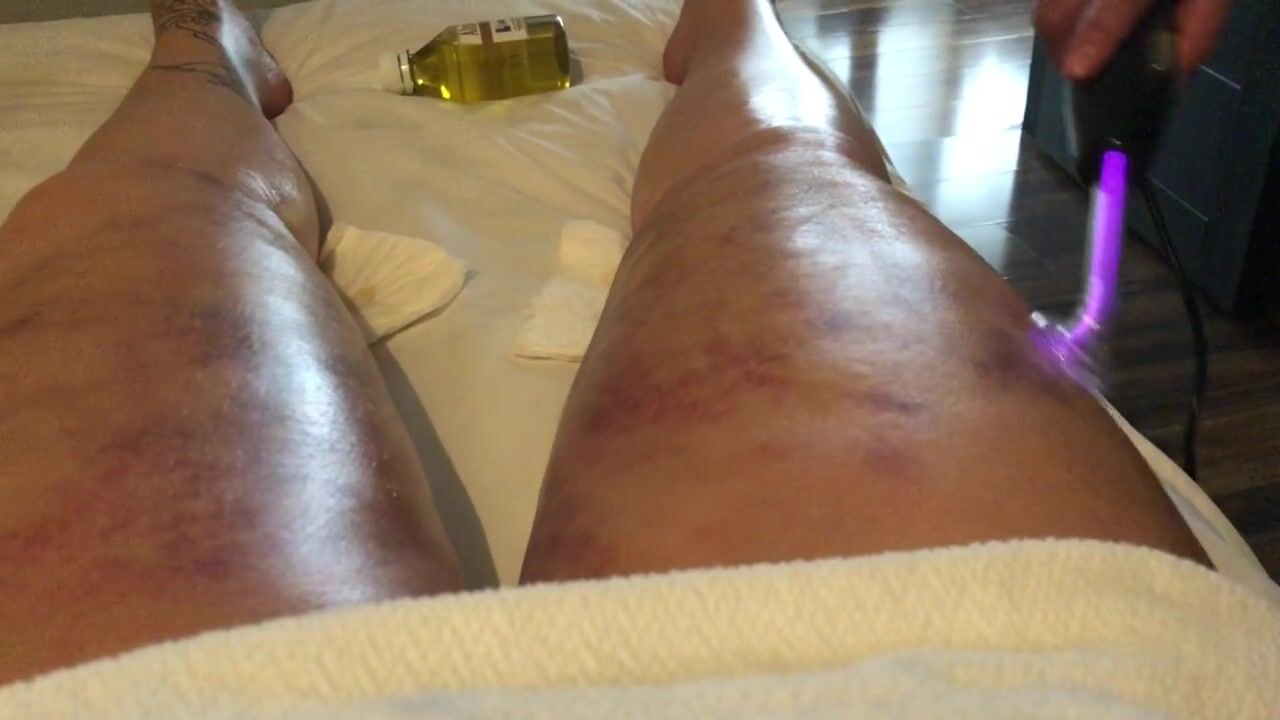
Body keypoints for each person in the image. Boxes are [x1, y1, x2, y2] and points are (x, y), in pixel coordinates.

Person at [0, 0, 1235, 684]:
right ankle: (737, 19)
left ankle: (196, 44)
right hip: (1038, 673)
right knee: (777, 165)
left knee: (172, 209)